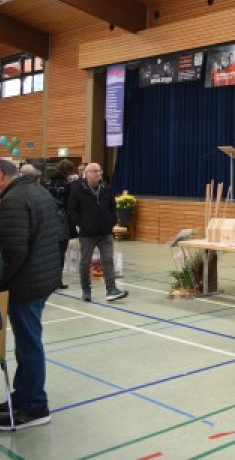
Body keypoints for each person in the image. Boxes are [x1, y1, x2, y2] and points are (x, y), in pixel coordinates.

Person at [0, 159, 61, 430]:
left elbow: (13, 252)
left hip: (27, 283)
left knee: (28, 344)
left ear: (1, 176)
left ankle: (36, 406)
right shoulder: (38, 190)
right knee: (27, 343)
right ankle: (23, 397)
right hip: (42, 278)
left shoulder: (13, 201)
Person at [66, 163, 128, 303]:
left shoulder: (106, 188)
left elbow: (113, 207)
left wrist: (111, 221)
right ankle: (86, 290)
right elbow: (71, 209)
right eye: (95, 171)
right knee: (85, 262)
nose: (98, 173)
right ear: (87, 173)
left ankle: (111, 289)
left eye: (100, 171)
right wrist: (81, 223)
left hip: (105, 232)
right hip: (87, 233)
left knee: (108, 260)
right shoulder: (77, 188)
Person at [44, 159, 77, 289]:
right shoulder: (66, 185)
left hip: (47, 218)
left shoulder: (47, 182)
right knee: (60, 251)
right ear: (67, 171)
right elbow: (69, 203)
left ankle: (47, 279)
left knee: (48, 251)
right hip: (61, 219)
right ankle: (57, 280)